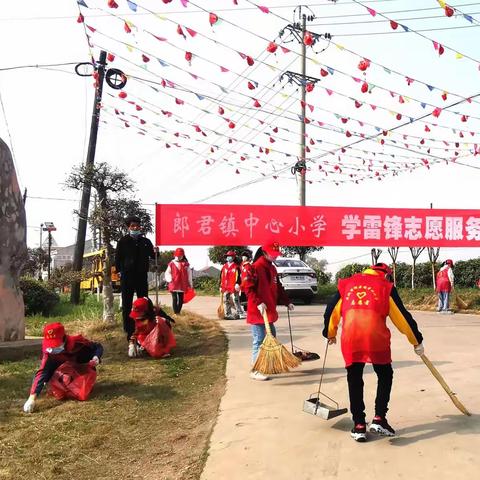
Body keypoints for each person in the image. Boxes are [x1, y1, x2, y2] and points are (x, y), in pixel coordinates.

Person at [323, 263, 424, 442]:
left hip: (351, 338)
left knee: (354, 378)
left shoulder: (347, 284)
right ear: (385, 274)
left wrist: (329, 333)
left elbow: (332, 311)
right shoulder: (386, 287)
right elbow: (402, 317)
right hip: (375, 338)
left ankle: (359, 425)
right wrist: (416, 341)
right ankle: (379, 419)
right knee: (385, 374)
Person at [23, 322, 103, 413]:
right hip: (60, 372)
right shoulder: (49, 352)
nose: (53, 348)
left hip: (79, 369)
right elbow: (42, 372)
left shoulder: (77, 342)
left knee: (81, 390)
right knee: (52, 379)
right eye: (50, 345)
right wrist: (32, 398)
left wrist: (96, 357)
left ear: (64, 339)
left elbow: (97, 347)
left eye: (55, 344)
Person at [244, 242, 294, 381]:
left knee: (272, 337)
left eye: (277, 254)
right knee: (259, 341)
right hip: (258, 311)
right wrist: (258, 302)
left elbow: (279, 288)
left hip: (269, 311)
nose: (276, 257)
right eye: (273, 254)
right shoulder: (254, 267)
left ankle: (268, 365)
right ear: (264, 253)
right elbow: (248, 288)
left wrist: (287, 301)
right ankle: (255, 369)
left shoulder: (272, 269)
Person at [115, 215, 156, 349]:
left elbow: (153, 256)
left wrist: (156, 252)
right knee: (127, 304)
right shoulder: (123, 241)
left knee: (144, 302)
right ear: (128, 227)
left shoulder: (146, 242)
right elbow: (118, 258)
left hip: (141, 276)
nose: (135, 228)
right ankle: (129, 331)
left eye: (137, 226)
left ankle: (146, 329)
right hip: (127, 276)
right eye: (132, 226)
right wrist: (119, 271)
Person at [164, 248, 193, 314]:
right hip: (173, 283)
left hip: (182, 284)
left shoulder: (186, 264)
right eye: (178, 255)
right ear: (175, 255)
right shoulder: (172, 263)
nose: (179, 257)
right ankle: (175, 313)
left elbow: (189, 275)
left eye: (180, 255)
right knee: (174, 298)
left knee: (180, 299)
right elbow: (167, 272)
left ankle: (178, 313)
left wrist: (190, 284)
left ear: (183, 255)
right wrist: (169, 279)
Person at [220, 250, 243, 320]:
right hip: (226, 286)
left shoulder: (236, 267)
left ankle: (239, 312)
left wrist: (237, 283)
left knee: (235, 299)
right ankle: (228, 313)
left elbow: (239, 276)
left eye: (230, 256)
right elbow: (221, 276)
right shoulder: (224, 266)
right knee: (226, 300)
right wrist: (220, 285)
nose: (228, 258)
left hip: (233, 285)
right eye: (227, 256)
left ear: (233, 257)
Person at [239, 249, 254, 313]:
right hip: (242, 285)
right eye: (242, 256)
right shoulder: (241, 265)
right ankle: (245, 310)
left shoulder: (249, 266)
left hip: (247, 285)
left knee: (248, 298)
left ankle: (249, 310)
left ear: (247, 258)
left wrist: (247, 278)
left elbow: (251, 275)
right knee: (243, 299)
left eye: (245, 256)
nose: (243, 258)